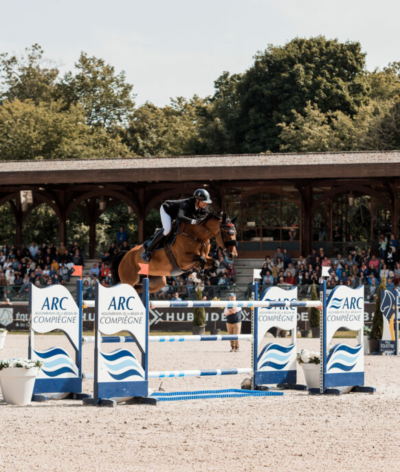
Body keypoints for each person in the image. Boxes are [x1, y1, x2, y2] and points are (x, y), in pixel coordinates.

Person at [141, 189, 212, 263]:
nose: (206, 204)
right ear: (197, 200)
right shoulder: (187, 203)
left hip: (176, 215)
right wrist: (194, 221)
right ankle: (148, 250)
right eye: (204, 202)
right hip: (167, 210)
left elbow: (208, 215)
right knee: (167, 229)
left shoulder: (202, 207)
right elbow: (180, 216)